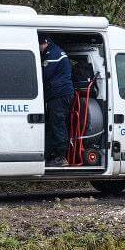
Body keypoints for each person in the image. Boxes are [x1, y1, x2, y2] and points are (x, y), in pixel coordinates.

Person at [39, 35, 74, 167]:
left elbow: (43, 75)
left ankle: (61, 157)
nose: (39, 49)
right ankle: (54, 154)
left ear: (45, 43)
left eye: (40, 46)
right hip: (60, 94)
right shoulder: (55, 51)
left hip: (59, 94)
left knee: (58, 124)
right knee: (56, 124)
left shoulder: (53, 54)